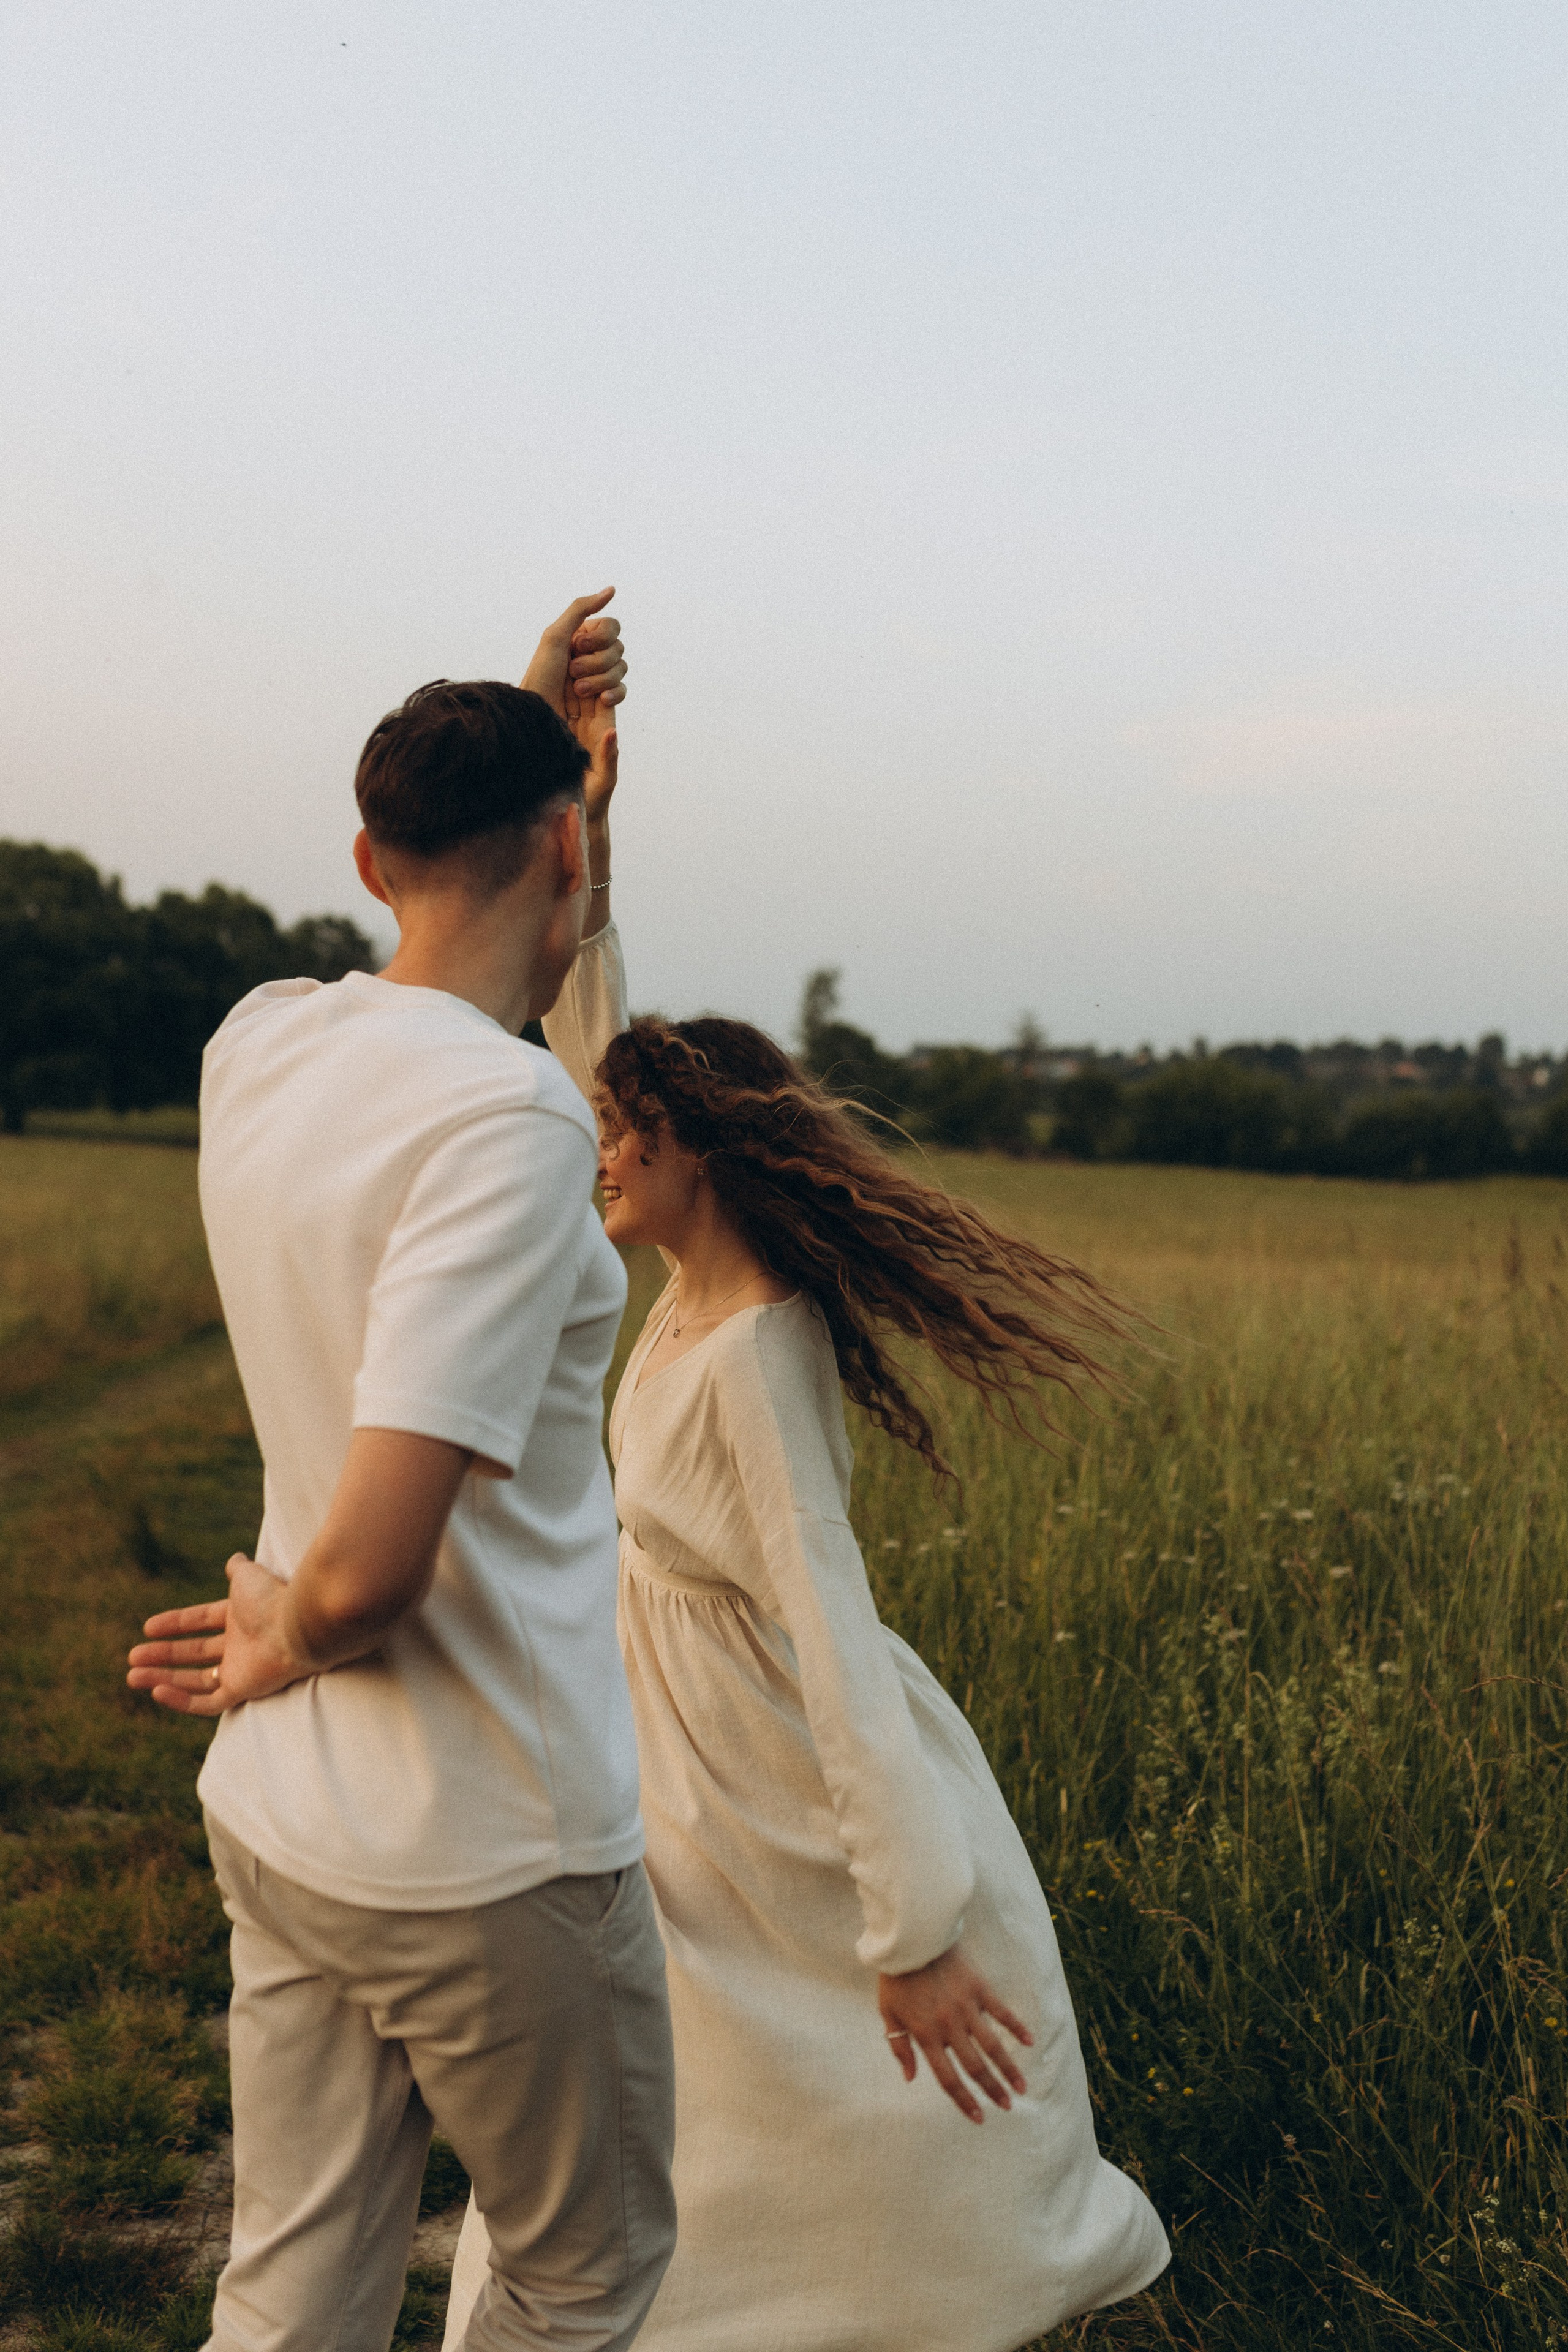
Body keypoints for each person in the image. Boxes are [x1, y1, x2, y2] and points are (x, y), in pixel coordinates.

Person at [445, 1008, 1170, 2351]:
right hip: (661, 1747)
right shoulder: (683, 1293)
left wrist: (909, 1927)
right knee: (679, 2059)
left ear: (696, 1154)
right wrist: (585, 858)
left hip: (755, 1762)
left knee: (768, 2068)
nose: (595, 1155)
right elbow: (604, 1039)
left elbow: (831, 1637)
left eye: (618, 1133)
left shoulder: (756, 1355)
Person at [126, 593, 677, 2352]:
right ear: (568, 851)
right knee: (585, 2282)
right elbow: (365, 1577)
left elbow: (479, 1012)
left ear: (373, 858)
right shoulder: (509, 1123)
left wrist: (528, 758)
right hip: (486, 1843)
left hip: (285, 1815)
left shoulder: (261, 1039)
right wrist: (295, 1627)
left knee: (288, 2289)